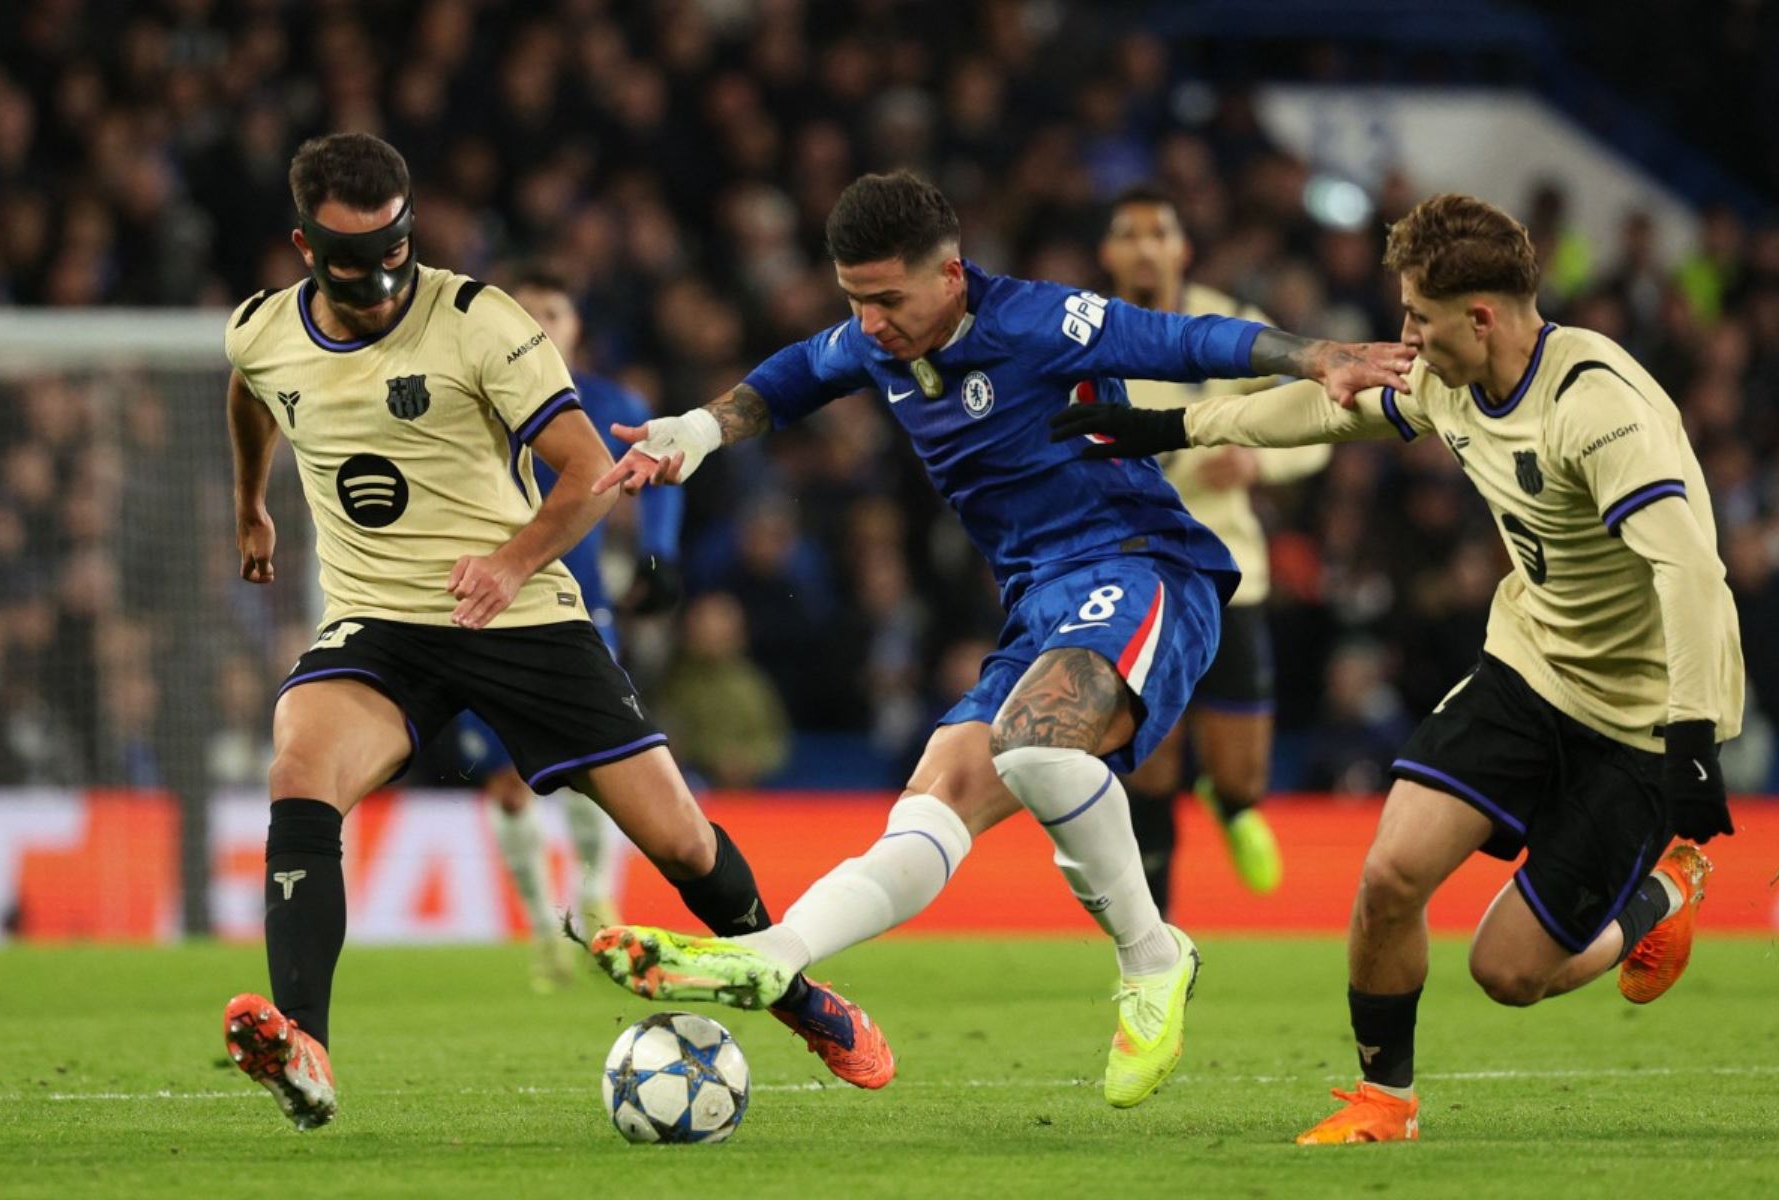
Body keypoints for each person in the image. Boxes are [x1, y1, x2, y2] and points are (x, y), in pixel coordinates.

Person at [580, 170, 1411, 1108]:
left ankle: (1153, 956)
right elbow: (789, 380)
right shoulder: (876, 341)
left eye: (889, 299)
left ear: (952, 276)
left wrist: (1315, 358)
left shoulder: (1038, 321)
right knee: (936, 799)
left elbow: (1188, 340)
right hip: (1038, 606)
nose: (873, 323)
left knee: (1033, 746)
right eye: (856, 301)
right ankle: (775, 956)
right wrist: (696, 431)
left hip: (1141, 565)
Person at [219, 133, 890, 1131]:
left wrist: (511, 564)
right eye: (349, 260)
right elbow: (251, 395)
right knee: (299, 777)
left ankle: (800, 996)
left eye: (393, 250)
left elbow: (587, 472)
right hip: (378, 623)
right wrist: (251, 507)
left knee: (678, 839)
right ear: (304, 245)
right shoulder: (260, 331)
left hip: (522, 618)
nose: (377, 278)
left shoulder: (481, 321)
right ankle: (305, 1042)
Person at [1051, 192, 1742, 1141]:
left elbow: (1691, 572)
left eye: (1417, 313)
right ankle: (1387, 1100)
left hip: (1642, 717)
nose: (1403, 332)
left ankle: (1664, 890)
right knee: (1388, 878)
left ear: (1481, 316)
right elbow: (1324, 415)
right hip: (1530, 667)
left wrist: (1695, 742)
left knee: (1510, 974)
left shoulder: (1598, 410)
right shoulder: (1448, 379)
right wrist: (1176, 431)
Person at [450, 266, 685, 992]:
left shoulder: (611, 403)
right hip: (483, 603)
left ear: (575, 327)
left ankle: (594, 895)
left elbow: (660, 470)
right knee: (505, 781)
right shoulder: (470, 401)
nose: (539, 324)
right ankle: (538, 927)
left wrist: (659, 553)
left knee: (595, 770)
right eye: (526, 313)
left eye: (553, 312)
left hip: (579, 608)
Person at [1097, 182, 1333, 903]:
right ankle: (1154, 941)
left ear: (1181, 247)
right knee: (1153, 771)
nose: (1144, 248)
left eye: (1157, 233)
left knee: (1243, 774)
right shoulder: (1089, 332)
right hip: (1143, 575)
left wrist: (1260, 459)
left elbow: (1320, 413)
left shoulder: (1231, 323)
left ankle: (1231, 803)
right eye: (1128, 234)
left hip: (1232, 572)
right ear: (1108, 253)